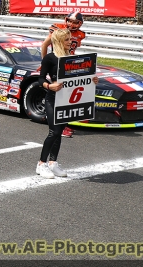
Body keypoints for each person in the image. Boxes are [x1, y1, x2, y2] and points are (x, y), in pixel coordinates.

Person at [36, 29, 97, 179]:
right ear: (58, 42)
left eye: (70, 39)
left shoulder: (73, 58)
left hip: (68, 100)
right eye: (67, 40)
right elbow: (40, 79)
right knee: (54, 132)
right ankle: (41, 164)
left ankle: (53, 162)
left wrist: (92, 80)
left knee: (60, 132)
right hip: (52, 98)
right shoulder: (50, 58)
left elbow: (80, 78)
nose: (71, 42)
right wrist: (49, 86)